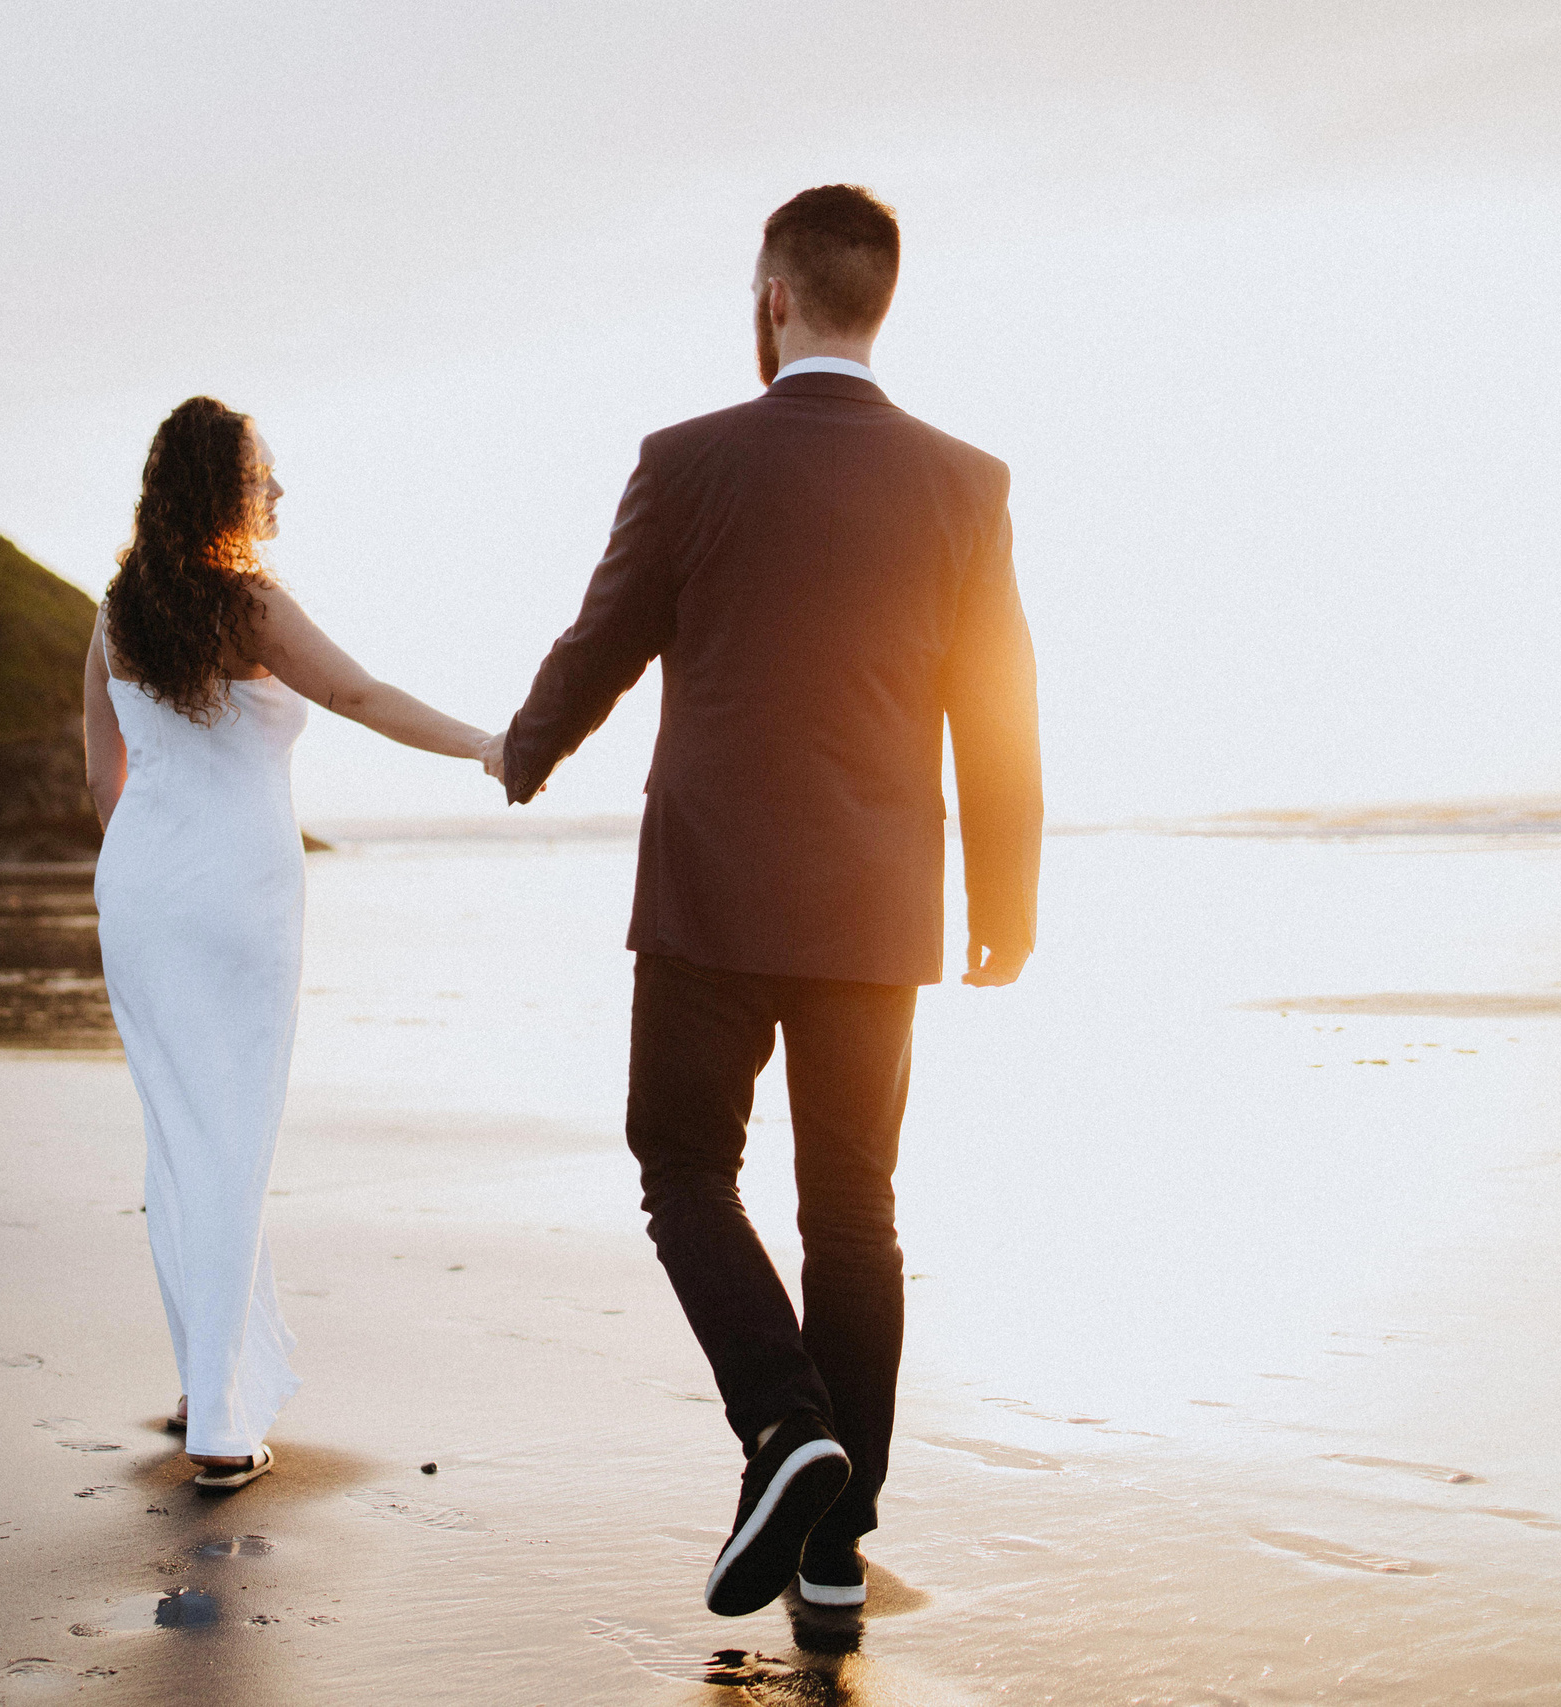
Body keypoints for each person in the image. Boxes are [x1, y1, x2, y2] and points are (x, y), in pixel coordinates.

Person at [481, 185, 1043, 1617]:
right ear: (878, 301)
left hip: (711, 898)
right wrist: (1008, 898)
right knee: (854, 1211)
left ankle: (785, 1424)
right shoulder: (965, 483)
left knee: (681, 1165)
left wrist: (525, 749)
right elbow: (1001, 714)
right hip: (876, 909)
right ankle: (836, 1550)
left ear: (774, 297)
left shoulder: (688, 462)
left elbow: (602, 637)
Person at [86, 396, 493, 1491]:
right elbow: (359, 694)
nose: (278, 490)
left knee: (178, 1137)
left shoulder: (117, 612)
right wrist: (486, 747)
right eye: (263, 472)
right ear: (223, 487)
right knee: (232, 1141)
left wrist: (146, 865)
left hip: (141, 889)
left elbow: (99, 778)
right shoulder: (248, 606)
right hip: (238, 893)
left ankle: (200, 1381)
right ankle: (219, 1425)